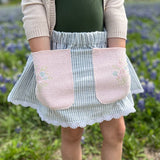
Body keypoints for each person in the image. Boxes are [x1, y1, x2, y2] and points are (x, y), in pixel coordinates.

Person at [7, 0, 144, 159]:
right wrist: (44, 61)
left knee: (116, 131)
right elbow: (34, 8)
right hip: (62, 52)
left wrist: (117, 54)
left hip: (104, 50)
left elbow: (115, 6)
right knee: (72, 132)